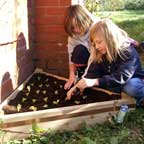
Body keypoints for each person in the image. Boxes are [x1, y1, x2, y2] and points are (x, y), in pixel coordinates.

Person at [66, 18, 144, 108]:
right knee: (104, 87)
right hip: (116, 83)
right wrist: (77, 86)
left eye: (99, 42)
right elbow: (92, 73)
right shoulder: (101, 54)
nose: (97, 47)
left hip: (132, 80)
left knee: (131, 87)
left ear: (110, 38)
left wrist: (96, 81)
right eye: (94, 44)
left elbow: (122, 76)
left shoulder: (128, 52)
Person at [63, 4, 100, 90]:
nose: (76, 30)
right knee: (78, 50)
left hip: (99, 58)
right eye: (72, 27)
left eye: (78, 25)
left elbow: (93, 57)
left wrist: (86, 78)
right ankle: (80, 75)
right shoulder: (72, 36)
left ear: (85, 20)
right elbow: (71, 57)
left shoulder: (95, 28)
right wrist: (71, 76)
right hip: (87, 58)